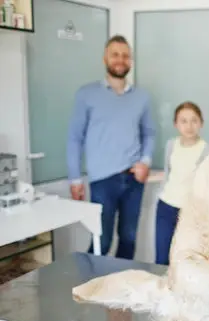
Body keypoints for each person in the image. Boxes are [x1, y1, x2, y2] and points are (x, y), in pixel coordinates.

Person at [67, 34, 156, 260]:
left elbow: (149, 134)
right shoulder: (86, 94)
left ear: (131, 61)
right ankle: (84, 286)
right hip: (102, 181)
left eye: (125, 56)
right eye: (115, 54)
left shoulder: (142, 97)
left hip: (133, 181)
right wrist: (75, 178)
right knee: (102, 241)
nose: (120, 59)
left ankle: (119, 290)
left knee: (129, 240)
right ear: (105, 59)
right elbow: (75, 138)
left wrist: (145, 161)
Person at [155, 101, 209, 265]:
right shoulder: (170, 145)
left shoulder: (207, 150)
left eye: (194, 120)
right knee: (161, 257)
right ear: (176, 124)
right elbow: (168, 173)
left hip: (189, 210)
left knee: (184, 258)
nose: (189, 126)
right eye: (184, 121)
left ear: (201, 123)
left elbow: (206, 183)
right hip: (165, 206)